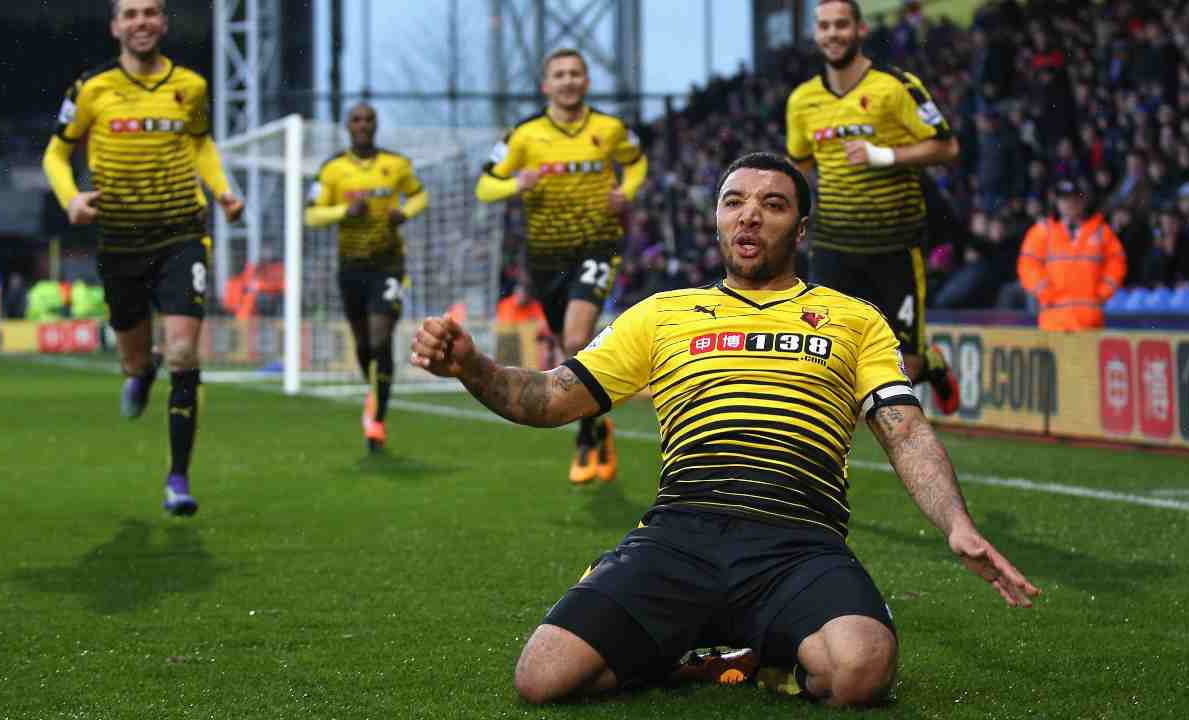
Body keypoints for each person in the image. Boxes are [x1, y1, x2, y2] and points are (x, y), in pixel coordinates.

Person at [411, 152, 1039, 707]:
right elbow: (548, 397)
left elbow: (904, 431)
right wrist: (472, 365)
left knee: (862, 671)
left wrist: (957, 526)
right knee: (542, 678)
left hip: (798, 543)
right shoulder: (663, 313)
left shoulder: (855, 320)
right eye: (733, 202)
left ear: (801, 226)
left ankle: (767, 661)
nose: (749, 216)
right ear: (715, 220)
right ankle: (688, 656)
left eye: (772, 204)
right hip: (679, 534)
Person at [41, 0, 244, 516]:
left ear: (164, 23)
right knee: (136, 358)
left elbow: (201, 144)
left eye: (150, 12)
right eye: (130, 14)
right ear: (115, 27)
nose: (141, 22)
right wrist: (71, 199)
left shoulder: (191, 86)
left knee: (183, 352)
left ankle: (178, 477)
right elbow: (56, 153)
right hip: (120, 241)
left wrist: (222, 191)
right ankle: (140, 369)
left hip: (181, 235)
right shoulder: (92, 89)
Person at [475, 48, 648, 485]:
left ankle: (587, 438)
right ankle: (597, 424)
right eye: (560, 74)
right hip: (546, 256)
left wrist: (627, 191)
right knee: (568, 347)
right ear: (546, 85)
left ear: (586, 82)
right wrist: (515, 182)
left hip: (597, 244)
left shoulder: (609, 128)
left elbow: (636, 162)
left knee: (575, 335)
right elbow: (484, 185)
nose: (569, 81)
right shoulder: (524, 135)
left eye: (576, 73)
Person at [785, 0, 962, 415]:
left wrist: (884, 156)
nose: (832, 33)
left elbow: (948, 145)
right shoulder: (802, 101)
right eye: (824, 26)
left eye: (841, 25)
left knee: (905, 367)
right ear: (816, 34)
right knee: (824, 358)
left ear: (860, 30)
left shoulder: (895, 86)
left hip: (895, 243)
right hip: (833, 244)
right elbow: (798, 166)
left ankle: (931, 363)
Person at [305, 102, 428, 453]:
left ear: (376, 124)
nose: (363, 124)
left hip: (388, 263)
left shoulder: (396, 164)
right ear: (347, 126)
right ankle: (372, 394)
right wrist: (345, 210)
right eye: (356, 119)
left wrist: (403, 212)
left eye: (368, 119)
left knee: (380, 339)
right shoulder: (332, 169)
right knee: (362, 345)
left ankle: (377, 419)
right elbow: (311, 215)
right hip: (351, 267)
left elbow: (420, 195)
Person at [1017, 181, 1127, 331]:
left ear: (1083, 201)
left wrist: (1102, 292)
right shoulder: (1043, 231)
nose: (1069, 203)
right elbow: (1027, 265)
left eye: (1074, 198)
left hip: (1089, 322)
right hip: (1054, 322)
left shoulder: (1101, 231)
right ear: (1057, 202)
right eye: (1064, 199)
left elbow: (1117, 263)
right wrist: (1045, 292)